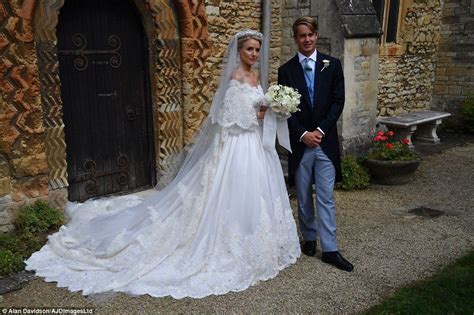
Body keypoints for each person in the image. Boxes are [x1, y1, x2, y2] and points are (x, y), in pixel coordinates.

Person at [26, 30, 301, 298]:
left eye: (256, 49)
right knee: (230, 196)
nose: (253, 54)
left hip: (254, 146)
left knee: (256, 197)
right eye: (249, 49)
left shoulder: (255, 76)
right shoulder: (235, 77)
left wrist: (273, 109)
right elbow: (230, 119)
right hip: (237, 147)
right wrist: (269, 109)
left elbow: (255, 112)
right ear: (238, 51)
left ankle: (256, 243)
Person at [278, 16, 353, 272]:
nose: (306, 39)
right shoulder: (286, 71)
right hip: (301, 144)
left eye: (310, 34)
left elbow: (337, 102)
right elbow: (284, 110)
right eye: (301, 35)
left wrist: (319, 131)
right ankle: (309, 237)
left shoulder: (332, 65)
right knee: (302, 195)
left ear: (316, 35)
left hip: (325, 143)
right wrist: (302, 135)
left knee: (325, 196)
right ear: (295, 38)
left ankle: (330, 249)